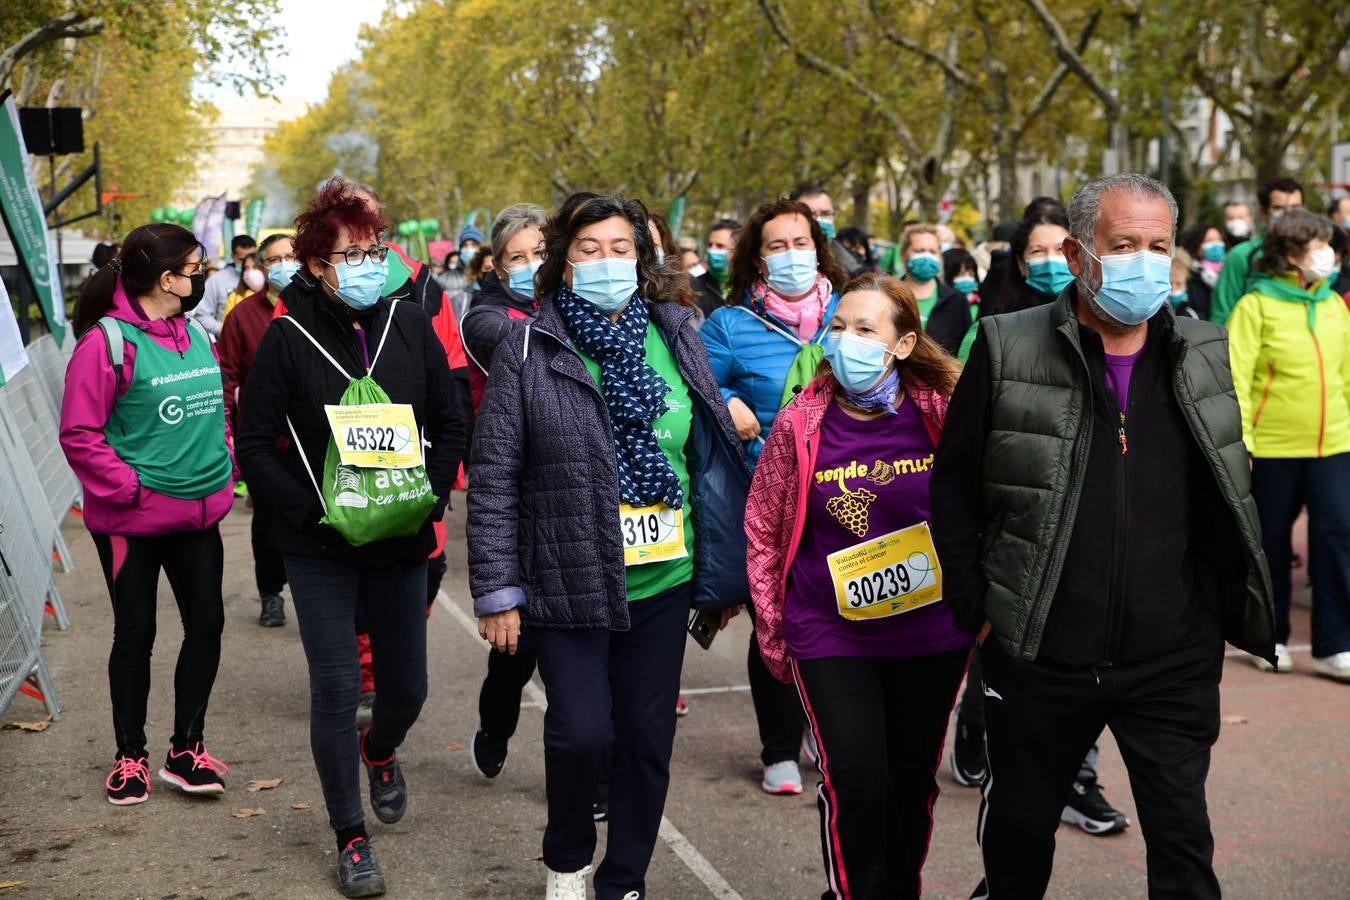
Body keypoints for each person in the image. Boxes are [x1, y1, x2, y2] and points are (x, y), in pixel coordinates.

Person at [932, 173, 1275, 899]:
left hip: (1171, 658)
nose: (1142, 262)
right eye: (1123, 245)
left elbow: (1223, 490)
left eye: (1158, 245)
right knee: (1018, 847)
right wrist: (982, 615)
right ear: (1081, 252)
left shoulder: (1205, 349)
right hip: (1038, 655)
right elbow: (954, 492)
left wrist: (1207, 618)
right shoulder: (1005, 344)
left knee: (1184, 850)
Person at [468, 192, 748, 900]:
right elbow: (496, 473)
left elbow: (707, 456)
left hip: (665, 578)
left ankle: (623, 879)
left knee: (647, 741)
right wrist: (497, 590)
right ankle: (567, 858)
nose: (606, 262)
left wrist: (723, 575)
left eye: (620, 248)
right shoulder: (530, 346)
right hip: (570, 575)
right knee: (582, 734)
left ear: (643, 258)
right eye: (588, 250)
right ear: (563, 264)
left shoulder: (679, 331)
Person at [236, 178, 466, 898]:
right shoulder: (286, 337)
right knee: (337, 688)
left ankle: (382, 748)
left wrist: (428, 487)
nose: (368, 264)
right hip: (322, 548)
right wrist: (307, 511)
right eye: (351, 254)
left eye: (375, 250)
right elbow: (252, 441)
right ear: (314, 266)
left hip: (400, 536)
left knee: (407, 689)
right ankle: (350, 835)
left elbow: (452, 416)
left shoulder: (411, 320)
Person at [746, 272, 970, 899]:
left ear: (903, 344)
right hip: (828, 631)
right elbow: (763, 526)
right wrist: (774, 628)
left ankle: (897, 888)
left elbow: (988, 505)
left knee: (910, 779)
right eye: (838, 328)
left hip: (931, 632)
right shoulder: (800, 422)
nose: (846, 342)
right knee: (856, 776)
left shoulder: (945, 410)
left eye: (866, 330)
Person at [59, 223, 235, 805]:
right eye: (194, 269)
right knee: (137, 634)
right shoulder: (105, 344)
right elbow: (80, 434)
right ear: (166, 279)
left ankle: (187, 749)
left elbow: (215, 411)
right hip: (132, 523)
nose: (201, 278)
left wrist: (224, 459)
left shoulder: (196, 336)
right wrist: (132, 488)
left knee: (207, 624)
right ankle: (129, 756)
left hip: (200, 517)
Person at [700, 197, 848, 796]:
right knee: (778, 624)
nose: (793, 256)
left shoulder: (856, 311)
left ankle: (828, 727)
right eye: (777, 246)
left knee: (842, 623)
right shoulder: (730, 326)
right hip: (771, 502)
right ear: (757, 261)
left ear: (820, 247)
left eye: (802, 242)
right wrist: (724, 400)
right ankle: (780, 748)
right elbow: (696, 388)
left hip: (850, 497)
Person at [1227, 209, 1350, 682]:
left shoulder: (1334, 304)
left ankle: (1335, 645)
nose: (1327, 254)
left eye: (1328, 244)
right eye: (1316, 244)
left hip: (1334, 444)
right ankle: (1269, 637)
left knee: (1336, 537)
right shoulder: (1254, 307)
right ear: (1289, 254)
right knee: (1271, 545)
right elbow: (1237, 379)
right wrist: (1246, 445)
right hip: (1273, 448)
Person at [219, 233, 299, 627]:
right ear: (262, 268)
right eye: (274, 260)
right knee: (267, 523)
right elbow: (226, 377)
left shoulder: (320, 309)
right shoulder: (242, 316)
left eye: (291, 256)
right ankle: (271, 593)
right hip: (265, 442)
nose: (284, 265)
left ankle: (315, 596)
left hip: (315, 440)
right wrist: (229, 433)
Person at [1210, 177, 1304, 325]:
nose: (1289, 215)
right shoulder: (1241, 256)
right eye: (1279, 208)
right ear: (1263, 212)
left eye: (1296, 208)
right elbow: (1222, 317)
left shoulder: (1315, 254)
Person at [897, 224, 971, 355]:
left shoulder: (956, 301)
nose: (927, 257)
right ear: (904, 254)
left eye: (932, 252)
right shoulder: (888, 296)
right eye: (919, 251)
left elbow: (965, 351)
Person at [791, 183, 867, 277]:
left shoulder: (854, 264)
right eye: (810, 215)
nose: (819, 221)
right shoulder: (787, 267)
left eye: (825, 214)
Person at [193, 234, 257, 336]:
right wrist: (226, 330)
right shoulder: (216, 281)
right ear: (232, 256)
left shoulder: (266, 279)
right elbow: (201, 315)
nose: (247, 263)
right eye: (242, 259)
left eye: (252, 257)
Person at [691, 218, 740, 319]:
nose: (712, 250)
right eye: (710, 245)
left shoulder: (749, 288)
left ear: (737, 251)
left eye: (720, 246)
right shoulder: (694, 286)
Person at [1178, 221, 1226, 320]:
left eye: (1219, 240)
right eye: (1209, 241)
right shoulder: (1188, 276)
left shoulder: (1229, 271)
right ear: (1197, 246)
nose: (1216, 245)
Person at [452, 244, 494, 320]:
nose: (492, 273)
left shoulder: (509, 299)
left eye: (496, 269)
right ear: (477, 270)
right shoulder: (461, 300)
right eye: (487, 268)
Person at [222, 253, 265, 320]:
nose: (250, 272)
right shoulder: (234, 297)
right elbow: (226, 325)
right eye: (246, 268)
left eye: (255, 267)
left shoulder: (272, 295)